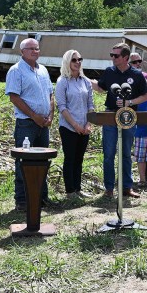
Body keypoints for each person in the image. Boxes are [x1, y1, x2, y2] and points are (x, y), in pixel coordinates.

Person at [93, 43, 147, 199]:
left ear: (125, 58)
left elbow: (145, 96)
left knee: (125, 153)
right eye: (112, 55)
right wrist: (82, 77)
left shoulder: (137, 75)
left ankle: (126, 187)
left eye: (116, 55)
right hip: (110, 115)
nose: (112, 58)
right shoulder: (109, 72)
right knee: (109, 154)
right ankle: (109, 188)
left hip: (128, 116)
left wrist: (129, 103)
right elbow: (100, 88)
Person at [6, 38, 55, 210]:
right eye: (31, 49)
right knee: (24, 161)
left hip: (44, 124)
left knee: (43, 160)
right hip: (27, 123)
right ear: (22, 51)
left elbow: (50, 94)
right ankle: (23, 201)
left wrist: (50, 116)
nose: (35, 51)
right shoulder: (16, 71)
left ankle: (42, 198)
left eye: (37, 48)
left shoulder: (43, 70)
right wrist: (34, 116)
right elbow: (14, 97)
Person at [56, 49, 95, 199]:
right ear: (67, 62)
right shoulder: (63, 81)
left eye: (80, 59)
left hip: (84, 127)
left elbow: (91, 105)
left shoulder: (85, 81)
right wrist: (75, 125)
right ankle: (70, 192)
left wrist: (88, 124)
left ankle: (78, 189)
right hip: (68, 127)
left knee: (79, 159)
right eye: (74, 60)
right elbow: (62, 107)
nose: (78, 62)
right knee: (70, 158)